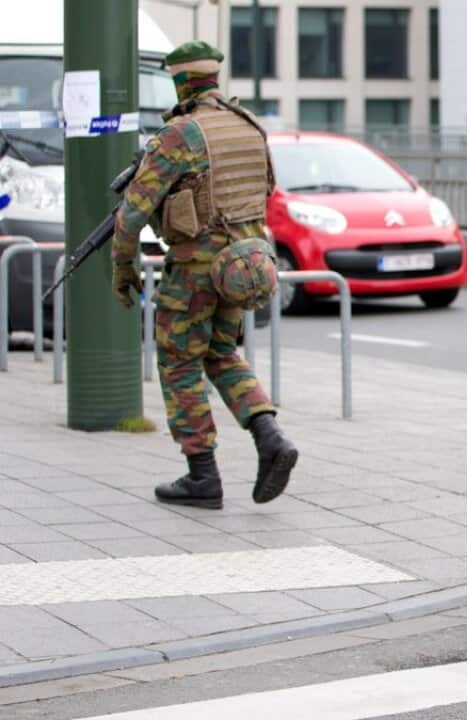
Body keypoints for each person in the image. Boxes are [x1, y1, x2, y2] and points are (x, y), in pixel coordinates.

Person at [110, 41, 298, 510]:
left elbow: (133, 211)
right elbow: (267, 190)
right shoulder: (250, 126)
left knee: (178, 362)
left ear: (180, 82)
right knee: (222, 353)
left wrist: (122, 264)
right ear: (214, 77)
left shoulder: (181, 133)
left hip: (194, 271)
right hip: (242, 266)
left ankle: (202, 475)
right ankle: (269, 436)